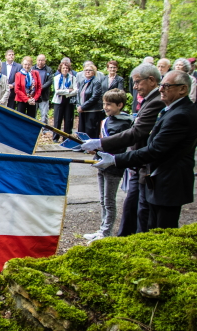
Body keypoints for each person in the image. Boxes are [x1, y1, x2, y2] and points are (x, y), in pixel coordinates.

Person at [93, 70, 197, 230]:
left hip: (169, 180)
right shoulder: (174, 110)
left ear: (182, 89)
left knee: (161, 229)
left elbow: (155, 149)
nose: (161, 89)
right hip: (161, 177)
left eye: (166, 86)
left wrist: (116, 159)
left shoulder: (181, 114)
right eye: (161, 85)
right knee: (149, 223)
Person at [81, 63, 164, 236]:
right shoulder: (148, 100)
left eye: (137, 82)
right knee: (129, 206)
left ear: (151, 80)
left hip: (134, 162)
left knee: (138, 209)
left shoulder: (156, 102)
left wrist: (99, 144)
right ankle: (120, 236)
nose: (134, 87)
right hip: (133, 163)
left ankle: (117, 235)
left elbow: (136, 132)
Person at [83, 89, 134, 242]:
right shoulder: (107, 120)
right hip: (100, 163)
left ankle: (106, 232)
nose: (105, 107)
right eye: (104, 103)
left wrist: (99, 147)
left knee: (109, 201)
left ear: (120, 105)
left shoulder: (125, 123)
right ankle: (102, 229)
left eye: (109, 104)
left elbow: (119, 145)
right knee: (102, 200)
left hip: (113, 166)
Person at [51, 62, 78, 142]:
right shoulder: (56, 78)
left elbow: (76, 90)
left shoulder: (73, 78)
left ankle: (66, 137)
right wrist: (68, 90)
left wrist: (64, 91)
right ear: (60, 69)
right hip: (58, 100)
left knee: (68, 119)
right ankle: (55, 137)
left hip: (69, 100)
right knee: (57, 120)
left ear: (69, 69)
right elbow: (57, 91)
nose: (65, 70)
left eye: (66, 68)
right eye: (63, 68)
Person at [76, 63, 104, 138]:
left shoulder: (96, 82)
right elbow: (78, 94)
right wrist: (78, 105)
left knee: (90, 130)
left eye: (90, 70)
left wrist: (83, 107)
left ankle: (91, 148)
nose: (87, 72)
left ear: (94, 72)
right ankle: (82, 145)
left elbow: (95, 97)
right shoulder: (83, 82)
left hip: (92, 111)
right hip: (83, 110)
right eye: (86, 70)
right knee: (82, 129)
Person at [32, 54, 53, 124]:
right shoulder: (32, 69)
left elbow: (50, 81)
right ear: (36, 60)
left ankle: (45, 130)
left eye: (42, 60)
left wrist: (41, 88)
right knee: (32, 114)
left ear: (45, 61)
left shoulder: (49, 70)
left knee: (44, 114)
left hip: (44, 95)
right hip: (33, 95)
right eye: (39, 60)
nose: (40, 62)